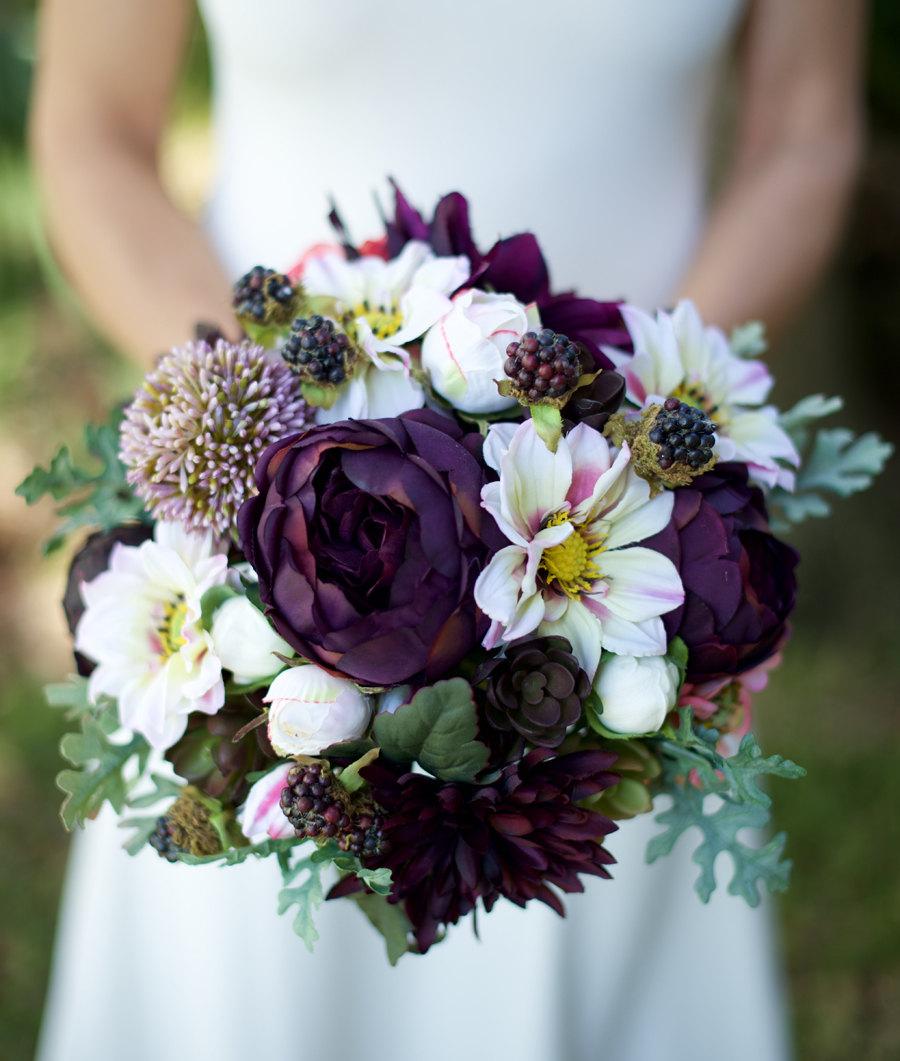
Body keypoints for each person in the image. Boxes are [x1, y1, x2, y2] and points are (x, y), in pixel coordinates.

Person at [30, 2, 864, 1059]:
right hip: (269, 518)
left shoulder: (626, 512)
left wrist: (637, 451)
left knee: (587, 880)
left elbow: (803, 132)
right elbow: (92, 127)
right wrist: (250, 427)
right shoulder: (260, 482)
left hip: (615, 540)